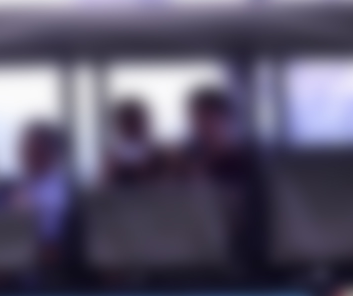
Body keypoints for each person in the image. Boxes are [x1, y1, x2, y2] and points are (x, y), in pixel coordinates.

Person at [181, 86, 266, 275]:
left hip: (241, 250)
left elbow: (251, 209)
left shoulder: (246, 159)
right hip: (197, 249)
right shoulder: (187, 159)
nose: (201, 126)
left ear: (225, 120)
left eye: (208, 119)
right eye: (196, 119)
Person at [7, 122, 72, 254]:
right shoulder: (31, 183)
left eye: (29, 148)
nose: (23, 153)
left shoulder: (53, 193)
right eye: (24, 147)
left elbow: (50, 246)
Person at [103, 99, 167, 186]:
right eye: (129, 122)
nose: (133, 126)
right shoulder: (114, 156)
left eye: (136, 121)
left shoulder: (156, 151)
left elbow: (164, 179)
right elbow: (107, 183)